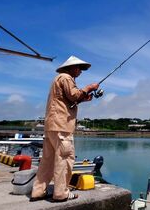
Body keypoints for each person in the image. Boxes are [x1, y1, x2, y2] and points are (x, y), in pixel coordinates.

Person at [30, 56, 99, 202]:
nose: (80, 71)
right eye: (79, 68)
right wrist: (89, 88)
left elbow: (69, 99)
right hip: (61, 126)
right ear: (72, 67)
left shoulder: (58, 78)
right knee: (65, 159)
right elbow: (74, 95)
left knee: (47, 161)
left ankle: (38, 191)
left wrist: (83, 97)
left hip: (51, 125)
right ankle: (61, 193)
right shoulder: (66, 77)